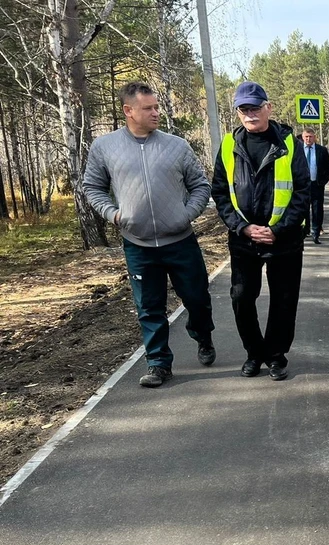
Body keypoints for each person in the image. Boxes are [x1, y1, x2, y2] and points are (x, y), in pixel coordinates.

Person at [83, 81, 215, 388]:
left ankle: (202, 335)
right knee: (149, 307)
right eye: (149, 108)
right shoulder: (105, 147)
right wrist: (113, 214)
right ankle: (158, 363)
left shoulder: (176, 146)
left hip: (181, 241)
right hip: (138, 245)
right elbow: (93, 187)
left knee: (197, 299)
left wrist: (186, 214)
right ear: (129, 111)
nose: (156, 112)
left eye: (157, 107)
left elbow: (200, 186)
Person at [211, 81, 311, 381]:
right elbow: (220, 192)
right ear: (238, 112)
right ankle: (254, 353)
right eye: (244, 108)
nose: (250, 113)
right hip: (244, 240)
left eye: (255, 107)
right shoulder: (229, 145)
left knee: (283, 299)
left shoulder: (289, 143)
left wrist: (276, 230)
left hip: (285, 240)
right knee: (242, 297)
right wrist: (243, 228)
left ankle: (276, 354)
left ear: (268, 108)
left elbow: (303, 192)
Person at [301, 128, 329, 244]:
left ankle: (316, 232)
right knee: (303, 209)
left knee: (317, 210)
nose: (308, 139)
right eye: (306, 137)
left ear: (314, 137)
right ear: (303, 137)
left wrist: (322, 182)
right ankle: (305, 231)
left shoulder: (321, 150)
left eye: (310, 137)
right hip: (302, 186)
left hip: (317, 185)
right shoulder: (297, 150)